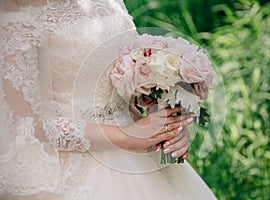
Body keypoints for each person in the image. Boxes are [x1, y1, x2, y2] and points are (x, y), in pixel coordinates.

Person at [0, 0, 216, 199]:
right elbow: (25, 126)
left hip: (140, 149)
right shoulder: (18, 7)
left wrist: (161, 120)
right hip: (73, 169)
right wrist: (126, 136)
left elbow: (112, 76)